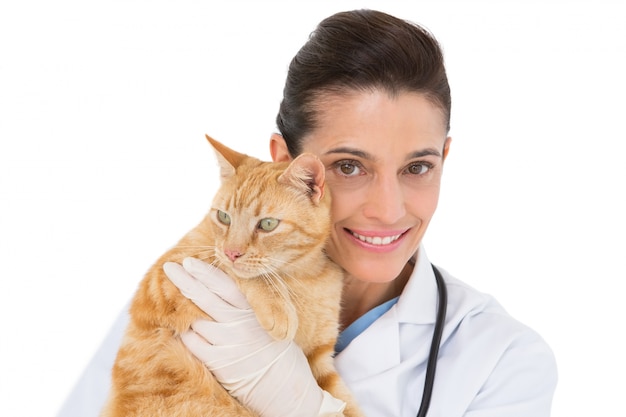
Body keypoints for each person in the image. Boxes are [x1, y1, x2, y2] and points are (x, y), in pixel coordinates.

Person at [57, 9, 558, 417]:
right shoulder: (184, 292)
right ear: (283, 165)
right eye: (348, 166)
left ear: (444, 161)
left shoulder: (500, 359)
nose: (387, 209)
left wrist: (302, 406)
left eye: (417, 167)